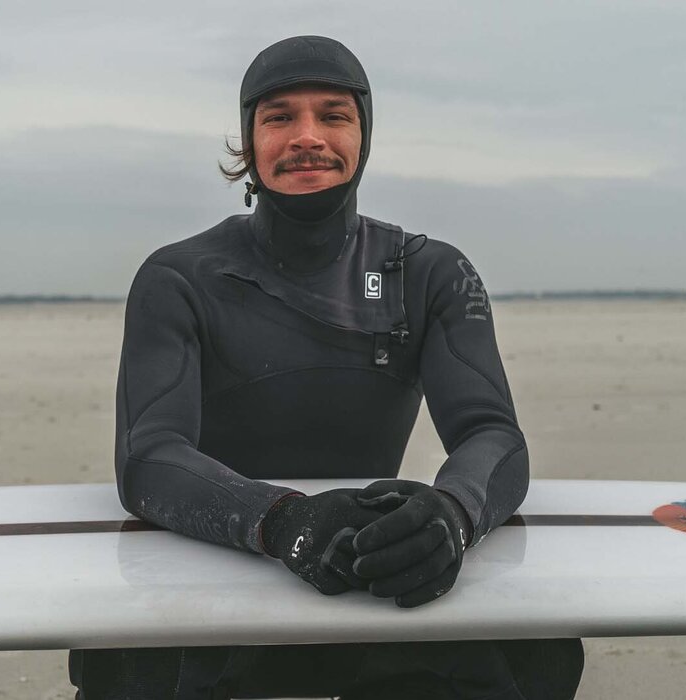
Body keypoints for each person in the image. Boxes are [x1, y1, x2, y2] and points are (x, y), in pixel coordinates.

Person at [71, 36, 583, 699]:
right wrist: (284, 522)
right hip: (214, 580)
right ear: (250, 140)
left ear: (363, 136)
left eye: (333, 115)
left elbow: (493, 435)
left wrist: (451, 516)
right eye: (279, 117)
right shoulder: (179, 278)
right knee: (125, 671)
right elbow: (148, 458)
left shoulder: (430, 274)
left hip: (362, 569)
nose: (307, 136)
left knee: (539, 656)